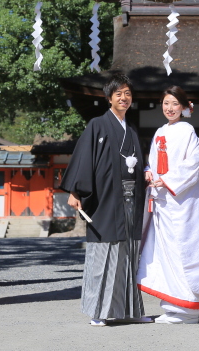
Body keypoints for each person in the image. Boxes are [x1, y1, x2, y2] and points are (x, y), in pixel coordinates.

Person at [59, 74, 149, 326]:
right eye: (118, 93)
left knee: (129, 254)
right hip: (105, 201)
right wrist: (75, 191)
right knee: (104, 253)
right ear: (109, 98)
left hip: (130, 200)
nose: (124, 98)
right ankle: (97, 311)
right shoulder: (97, 125)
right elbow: (84, 159)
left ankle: (131, 310)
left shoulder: (131, 130)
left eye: (128, 93)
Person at [137, 85, 199, 324]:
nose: (169, 108)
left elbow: (194, 164)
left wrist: (166, 180)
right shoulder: (159, 132)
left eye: (174, 104)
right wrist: (149, 172)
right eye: (166, 103)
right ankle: (172, 307)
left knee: (183, 250)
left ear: (184, 107)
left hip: (181, 202)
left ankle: (186, 309)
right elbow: (153, 162)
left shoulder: (188, 131)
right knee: (164, 252)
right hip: (162, 202)